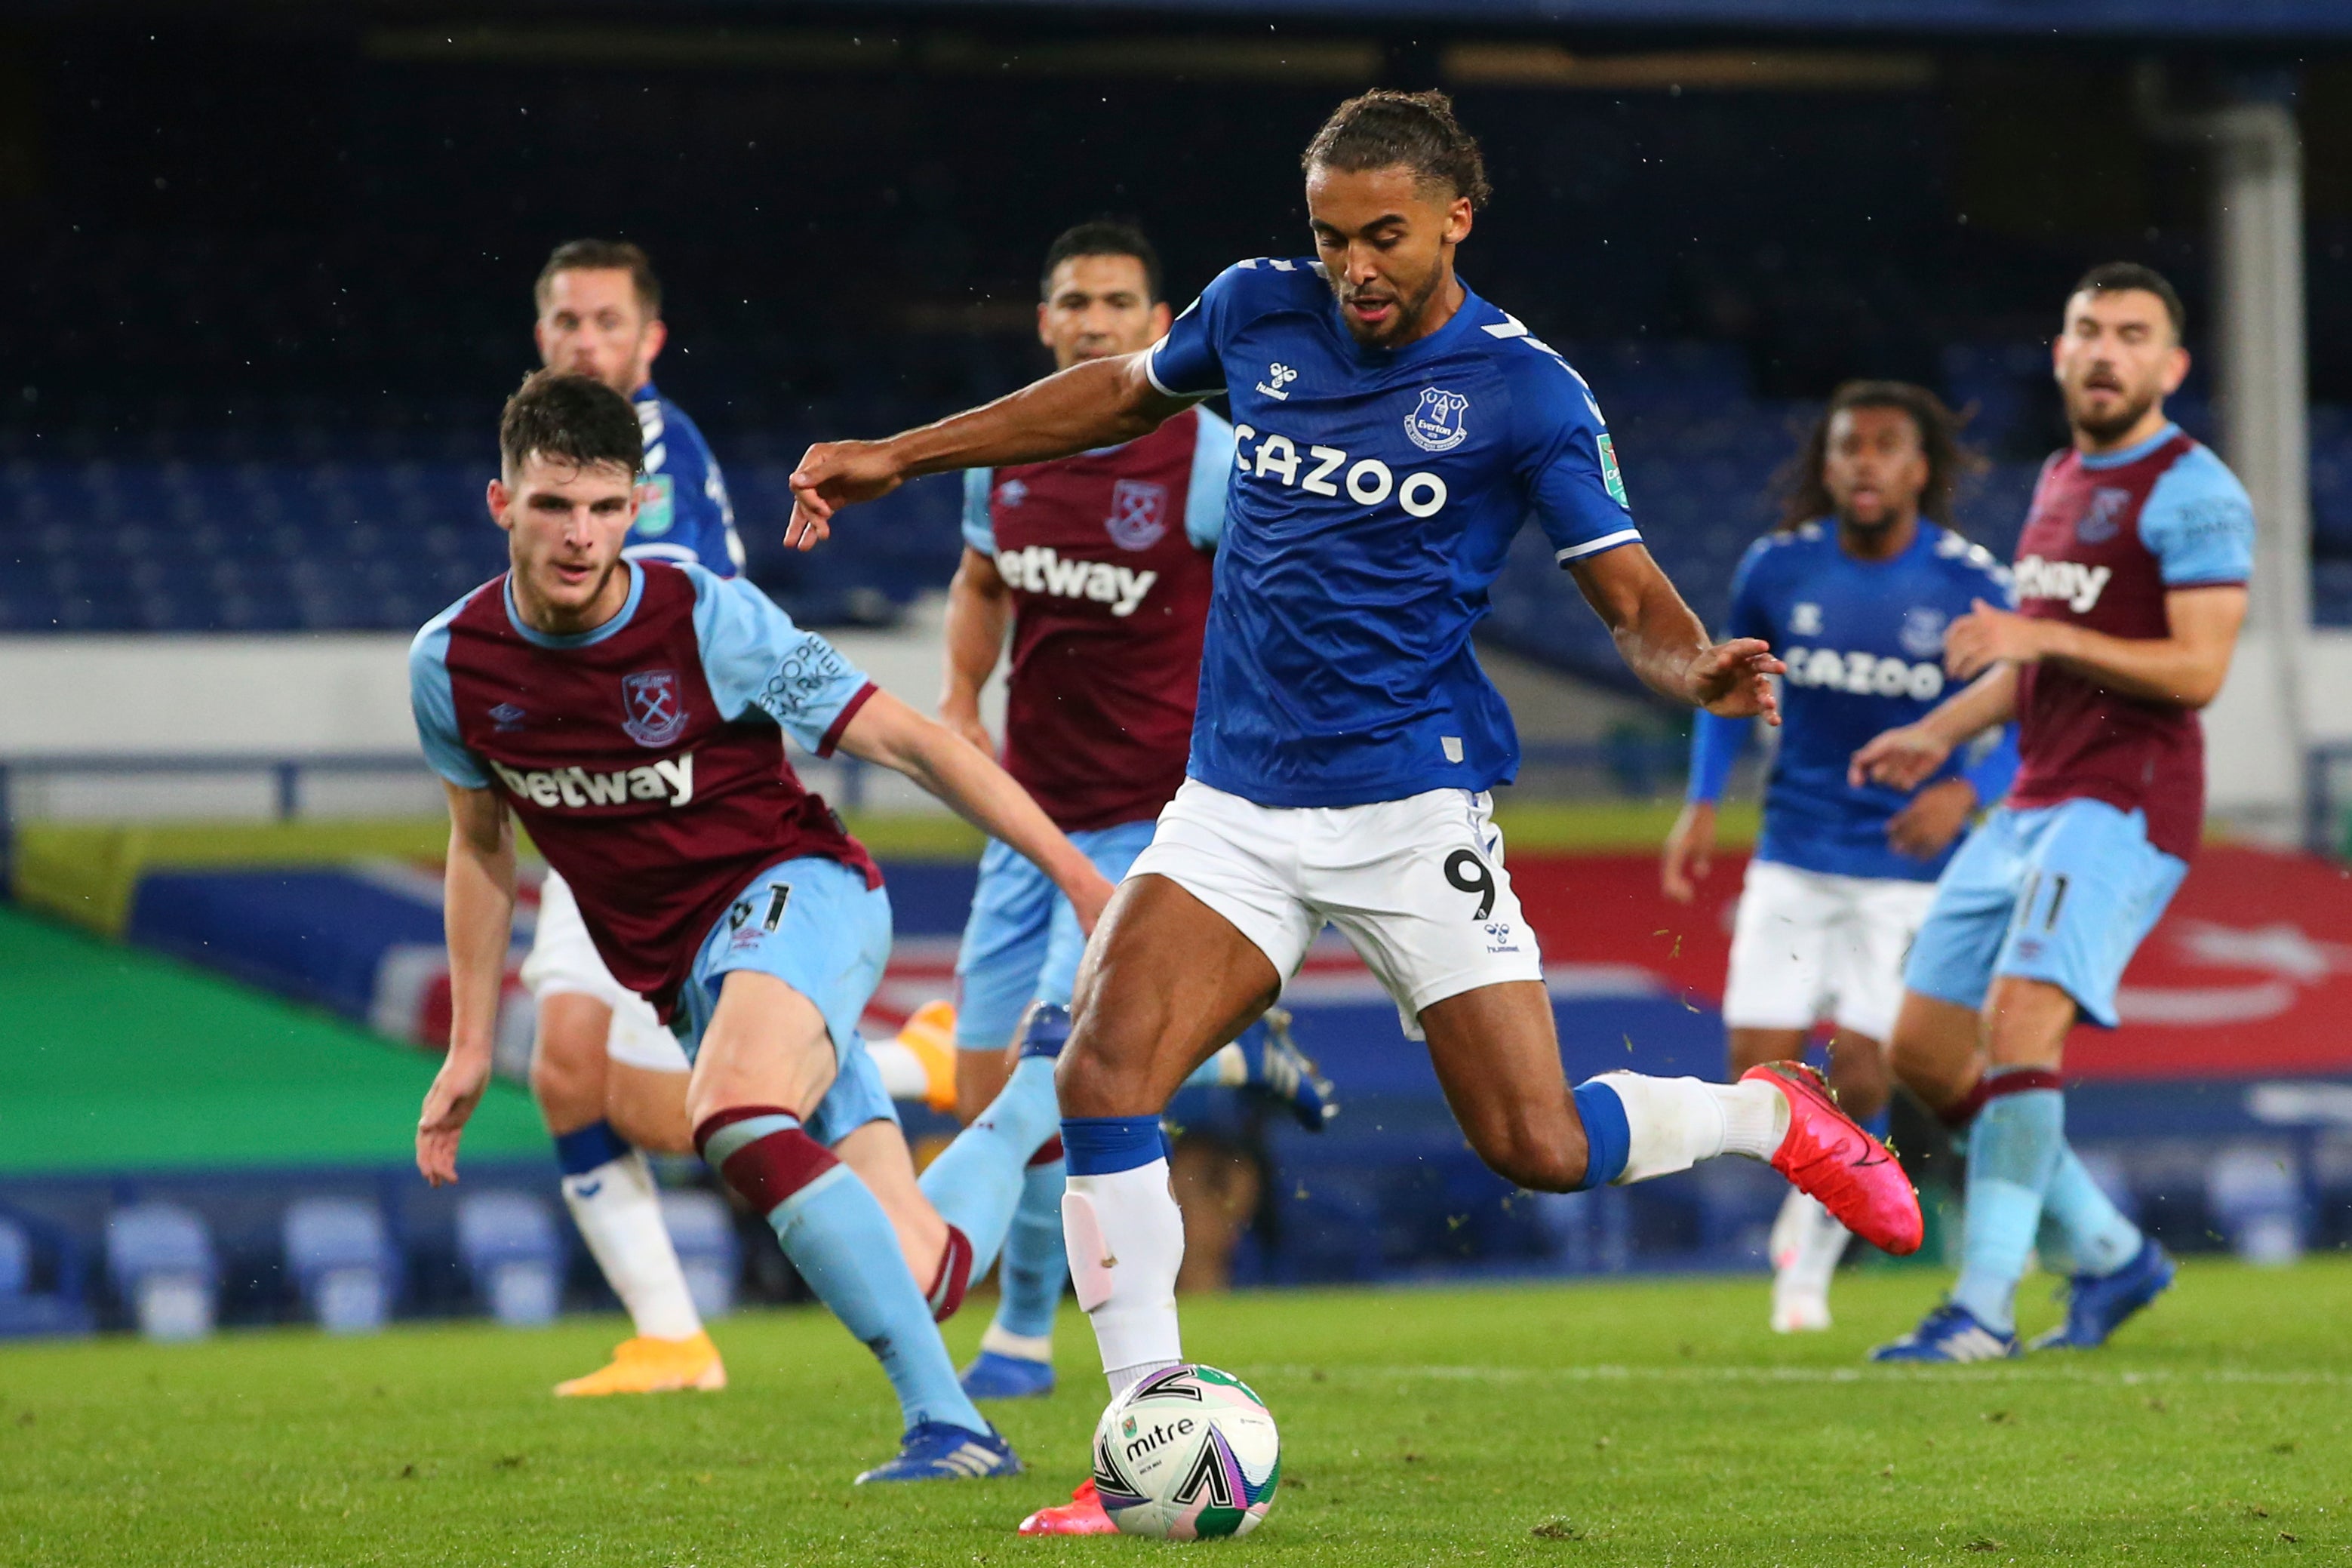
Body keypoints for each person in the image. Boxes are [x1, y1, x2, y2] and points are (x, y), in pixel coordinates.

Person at [784, 91, 1923, 1531]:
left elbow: (1629, 598)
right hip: (1233, 803)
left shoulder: (1525, 389)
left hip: (1408, 806)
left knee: (1535, 1146)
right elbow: (1120, 390)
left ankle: (1768, 1115)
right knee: (1101, 1075)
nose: (1355, 269)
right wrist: (905, 450)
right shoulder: (1258, 310)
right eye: (1332, 238)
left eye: (1383, 236)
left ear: (1457, 216)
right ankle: (1146, 1436)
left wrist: (1690, 663)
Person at [410, 369, 1121, 1482]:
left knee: (733, 1110)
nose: (579, 534)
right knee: (918, 1268)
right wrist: (464, 1045)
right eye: (552, 505)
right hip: (686, 975)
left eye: (605, 506)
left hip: (804, 894)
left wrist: (1079, 878)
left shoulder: (702, 612)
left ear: (638, 504)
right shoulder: (450, 667)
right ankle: (1042, 1088)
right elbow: (481, 844)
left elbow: (912, 741)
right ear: (502, 506)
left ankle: (950, 1427)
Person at [942, 220, 1334, 1405]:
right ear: (1046, 322)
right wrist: (961, 695)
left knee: (1041, 1082)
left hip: (1148, 825)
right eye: (1076, 302)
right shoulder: (997, 463)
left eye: (1120, 302)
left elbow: (1283, 605)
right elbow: (979, 582)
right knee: (982, 1094)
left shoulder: (1211, 461)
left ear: (1159, 328)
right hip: (1025, 823)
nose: (1097, 321)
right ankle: (1230, 1033)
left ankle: (1012, 1335)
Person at [1855, 263, 2253, 1360]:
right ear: (2060, 351)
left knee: (2022, 1020)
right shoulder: (2060, 479)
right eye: (2088, 329)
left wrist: (2042, 639)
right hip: (2030, 795)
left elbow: (2198, 668)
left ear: (2170, 365)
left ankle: (1980, 1305)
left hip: (2123, 802)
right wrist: (1940, 730)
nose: (2106, 350)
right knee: (1925, 1050)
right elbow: (2035, 659)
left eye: (2132, 334)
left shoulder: (2197, 489)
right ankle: (2113, 1250)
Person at [1662, 382, 2018, 1333]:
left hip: (1906, 868)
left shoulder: (1967, 580)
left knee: (1863, 1068)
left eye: (1887, 445)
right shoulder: (1776, 570)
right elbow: (1730, 690)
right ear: (1825, 465)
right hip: (1795, 852)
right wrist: (1701, 803)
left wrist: (1967, 791)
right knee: (1757, 1069)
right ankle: (1812, 1213)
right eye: (1848, 444)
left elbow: (2037, 706)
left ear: (1920, 468)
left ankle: (1806, 1264)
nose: (1865, 459)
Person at [515, 238, 746, 1397]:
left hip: (671, 818)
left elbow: (655, 614)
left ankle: (899, 1072)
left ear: (649, 338)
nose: (584, 340)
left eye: (606, 321)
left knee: (667, 1113)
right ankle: (671, 1335)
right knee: (560, 1066)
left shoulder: (654, 453)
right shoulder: (556, 456)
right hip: (583, 814)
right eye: (565, 321)